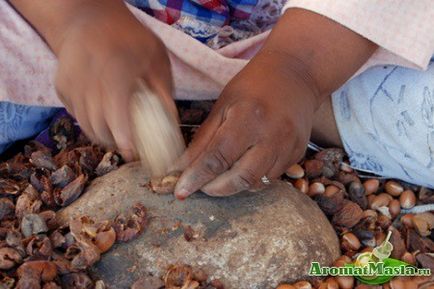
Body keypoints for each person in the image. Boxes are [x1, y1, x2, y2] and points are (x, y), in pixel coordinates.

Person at [2, 1, 434, 197]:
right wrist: (77, 18)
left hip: (322, 36)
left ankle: (306, 107)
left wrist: (298, 69)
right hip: (71, 36)